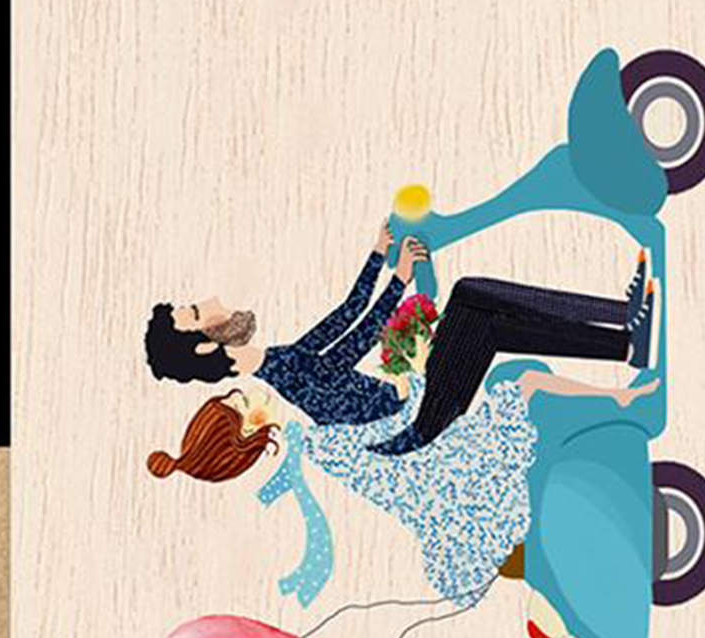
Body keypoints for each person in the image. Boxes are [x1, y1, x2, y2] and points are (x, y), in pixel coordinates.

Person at [149, 365, 660, 606]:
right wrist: (411, 381)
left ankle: (617, 405)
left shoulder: (309, 436)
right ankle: (619, 403)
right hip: (437, 473)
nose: (251, 395)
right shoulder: (316, 443)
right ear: (249, 432)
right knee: (522, 386)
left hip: (431, 471)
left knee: (521, 390)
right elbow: (391, 439)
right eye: (242, 404)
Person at [144, 225, 654, 451]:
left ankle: (623, 322)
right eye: (197, 312)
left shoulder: (275, 363)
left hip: (414, 408)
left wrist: (379, 258)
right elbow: (355, 341)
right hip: (419, 422)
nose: (210, 300)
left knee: (475, 300)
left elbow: (341, 322)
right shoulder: (281, 373)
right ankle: (627, 341)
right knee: (480, 313)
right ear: (207, 345)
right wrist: (398, 278)